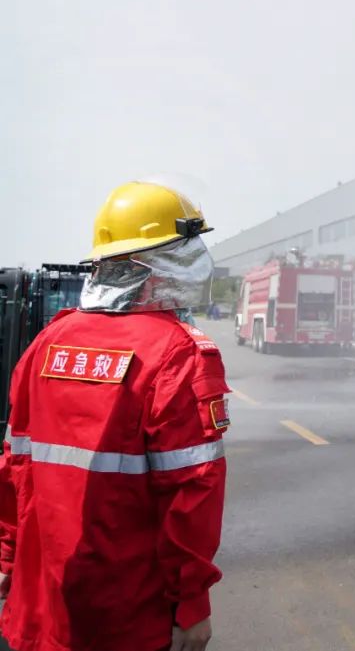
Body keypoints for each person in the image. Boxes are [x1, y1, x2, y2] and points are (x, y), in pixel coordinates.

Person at [0, 182, 230, 651]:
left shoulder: (48, 341)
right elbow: (192, 490)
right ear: (158, 268)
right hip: (127, 616)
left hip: (41, 605)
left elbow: (14, 464)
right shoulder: (178, 353)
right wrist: (192, 605)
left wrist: (6, 558)